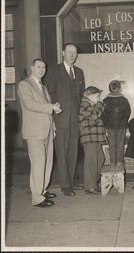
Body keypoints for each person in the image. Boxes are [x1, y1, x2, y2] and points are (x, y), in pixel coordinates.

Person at [17, 58, 62, 207]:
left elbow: (46, 109)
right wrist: (51, 107)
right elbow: (30, 104)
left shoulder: (43, 87)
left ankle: (42, 190)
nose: (41, 70)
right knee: (38, 163)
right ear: (32, 68)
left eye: (43, 67)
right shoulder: (24, 85)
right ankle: (37, 197)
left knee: (48, 162)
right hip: (34, 132)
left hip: (47, 130)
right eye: (38, 67)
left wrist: (53, 127)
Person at [45, 43, 85, 196]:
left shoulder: (80, 72)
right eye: (69, 52)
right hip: (61, 117)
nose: (71, 55)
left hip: (75, 118)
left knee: (74, 150)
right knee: (62, 151)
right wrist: (56, 107)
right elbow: (50, 94)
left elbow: (81, 96)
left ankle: (73, 181)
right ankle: (65, 185)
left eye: (74, 52)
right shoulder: (54, 71)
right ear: (63, 53)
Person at [79, 86, 107, 195]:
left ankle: (93, 183)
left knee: (100, 159)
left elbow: (94, 119)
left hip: (96, 137)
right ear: (89, 96)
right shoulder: (85, 104)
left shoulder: (92, 105)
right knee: (91, 162)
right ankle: (90, 187)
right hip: (89, 138)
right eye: (97, 96)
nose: (99, 98)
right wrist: (101, 104)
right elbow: (94, 116)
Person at [102, 80, 131, 166]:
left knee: (111, 144)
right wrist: (124, 122)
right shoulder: (124, 100)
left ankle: (112, 162)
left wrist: (106, 124)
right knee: (120, 144)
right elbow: (128, 112)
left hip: (110, 126)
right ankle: (120, 162)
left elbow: (103, 114)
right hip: (121, 126)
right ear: (119, 89)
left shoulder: (105, 100)